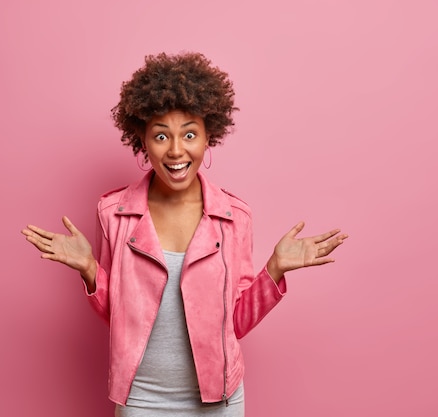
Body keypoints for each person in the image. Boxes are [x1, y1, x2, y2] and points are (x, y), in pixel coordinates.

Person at [21, 52, 348, 416]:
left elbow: (235, 323)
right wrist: (88, 268)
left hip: (219, 401)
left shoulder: (234, 217)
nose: (176, 150)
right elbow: (121, 318)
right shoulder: (113, 214)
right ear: (142, 140)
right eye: (161, 135)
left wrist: (274, 271)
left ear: (209, 137)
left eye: (189, 134)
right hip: (142, 399)